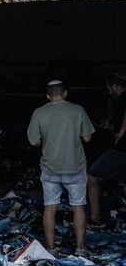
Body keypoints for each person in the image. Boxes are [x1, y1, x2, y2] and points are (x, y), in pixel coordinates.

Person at [27, 80, 94, 254]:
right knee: (78, 207)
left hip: (50, 168)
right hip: (75, 167)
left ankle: (51, 248)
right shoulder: (77, 110)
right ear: (65, 93)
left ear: (48, 96)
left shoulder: (39, 112)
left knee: (50, 207)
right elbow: (87, 138)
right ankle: (80, 248)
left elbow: (34, 142)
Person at [87, 72, 126, 227]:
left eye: (110, 89)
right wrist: (111, 125)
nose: (109, 92)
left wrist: (123, 129)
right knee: (123, 185)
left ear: (116, 86)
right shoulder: (119, 103)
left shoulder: (123, 98)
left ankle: (95, 219)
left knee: (93, 175)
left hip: (121, 150)